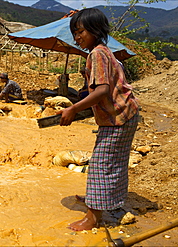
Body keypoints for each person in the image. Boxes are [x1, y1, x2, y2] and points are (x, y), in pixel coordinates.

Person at [57, 8, 139, 231]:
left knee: (101, 165)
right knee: (114, 162)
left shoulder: (97, 54)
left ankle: (93, 217)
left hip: (119, 117)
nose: (77, 38)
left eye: (80, 31)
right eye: (75, 33)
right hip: (123, 115)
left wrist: (73, 108)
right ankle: (101, 201)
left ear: (95, 30)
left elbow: (102, 90)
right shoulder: (102, 51)